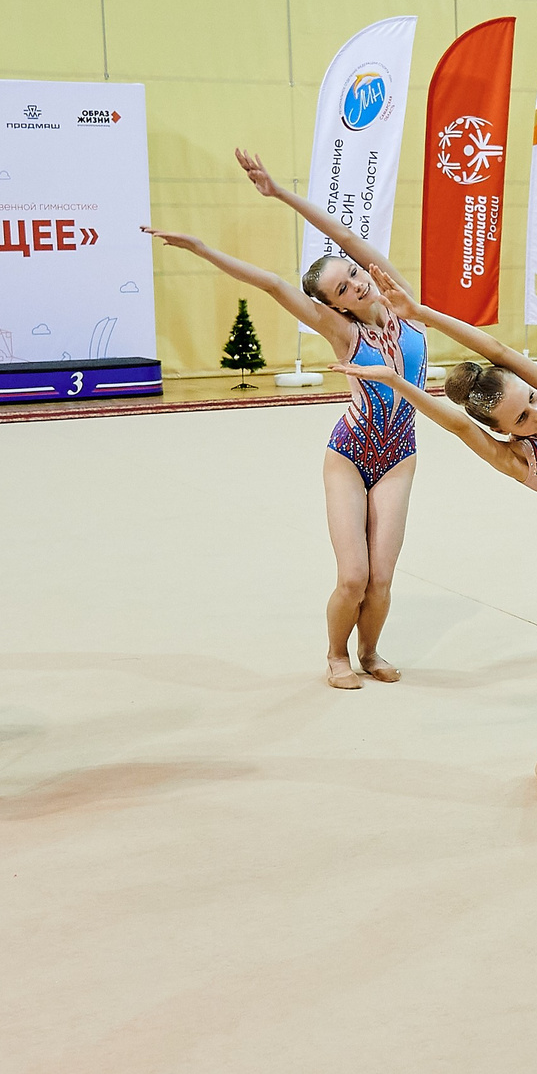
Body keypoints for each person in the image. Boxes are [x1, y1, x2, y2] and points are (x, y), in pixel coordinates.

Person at [326, 291, 537, 799]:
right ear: (503, 432)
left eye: (532, 400)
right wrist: (396, 382)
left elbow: (497, 349)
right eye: (521, 418)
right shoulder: (518, 458)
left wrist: (423, 314)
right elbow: (458, 423)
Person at [144, 148, 429, 690]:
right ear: (334, 306)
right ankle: (335, 656)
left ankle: (370, 652)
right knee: (353, 577)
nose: (357, 285)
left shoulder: (402, 300)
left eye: (354, 275)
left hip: (399, 454)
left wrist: (279, 193)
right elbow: (274, 285)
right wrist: (203, 250)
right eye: (342, 289)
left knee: (383, 580)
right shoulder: (345, 334)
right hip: (350, 454)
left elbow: (343, 235)